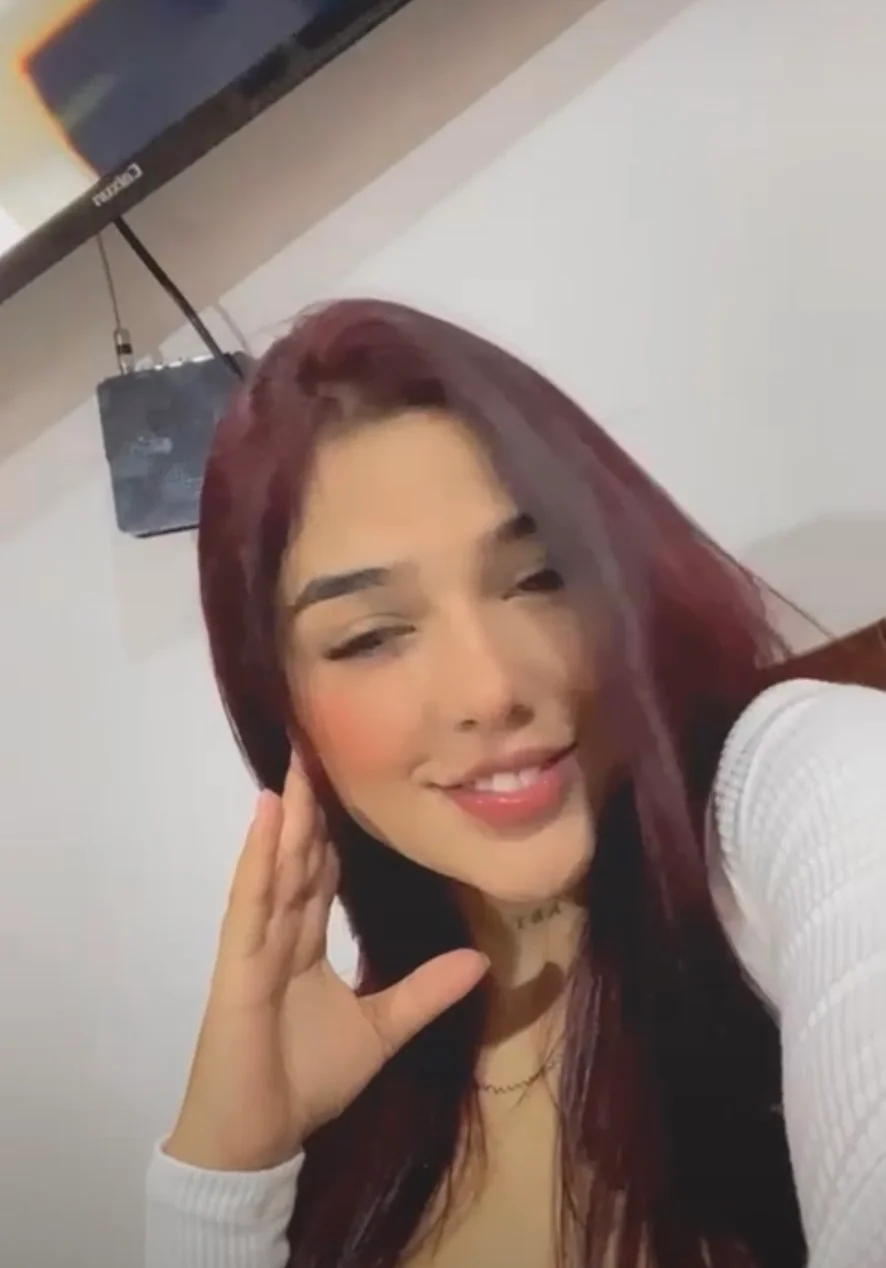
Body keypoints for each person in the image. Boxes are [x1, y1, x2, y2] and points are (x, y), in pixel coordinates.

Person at [145, 299, 886, 1268]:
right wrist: (223, 1172)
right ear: (283, 711)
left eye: (540, 576)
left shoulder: (791, 790)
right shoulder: (343, 1096)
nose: (489, 689)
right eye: (370, 636)